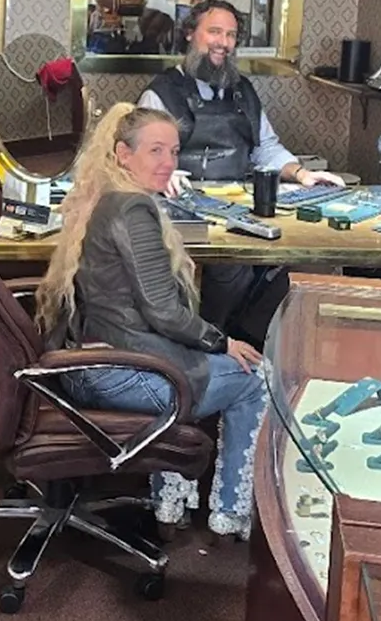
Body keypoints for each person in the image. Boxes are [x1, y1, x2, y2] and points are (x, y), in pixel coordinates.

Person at [37, 103, 270, 537]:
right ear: (123, 154)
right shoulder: (132, 210)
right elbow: (163, 311)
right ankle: (230, 510)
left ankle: (170, 500)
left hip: (91, 365)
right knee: (258, 376)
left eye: (174, 152)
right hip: (126, 374)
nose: (168, 163)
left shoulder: (103, 200)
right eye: (155, 151)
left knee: (193, 360)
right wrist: (221, 341)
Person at [137, 0, 346, 343]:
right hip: (180, 211)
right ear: (190, 34)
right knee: (230, 266)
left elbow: (266, 147)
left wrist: (301, 173)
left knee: (298, 261)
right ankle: (208, 342)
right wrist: (159, 174)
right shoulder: (160, 93)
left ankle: (247, 342)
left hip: (237, 204)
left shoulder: (243, 91)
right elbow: (139, 156)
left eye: (231, 35)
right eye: (214, 31)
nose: (223, 42)